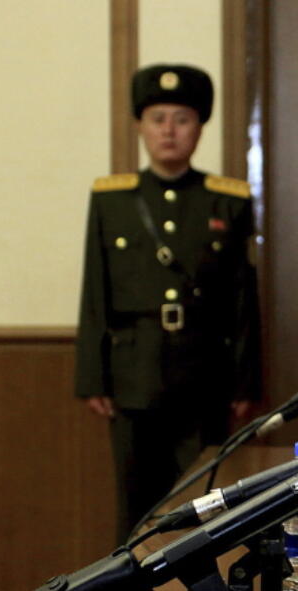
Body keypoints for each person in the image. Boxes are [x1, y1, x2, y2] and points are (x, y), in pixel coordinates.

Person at [74, 64, 261, 544]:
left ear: (199, 129)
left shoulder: (228, 201)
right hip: (132, 376)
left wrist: (245, 380)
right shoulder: (112, 200)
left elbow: (243, 299)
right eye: (158, 118)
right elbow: (95, 290)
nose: (169, 130)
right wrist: (93, 376)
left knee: (205, 504)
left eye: (182, 119)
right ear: (140, 126)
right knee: (135, 507)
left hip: (206, 377)